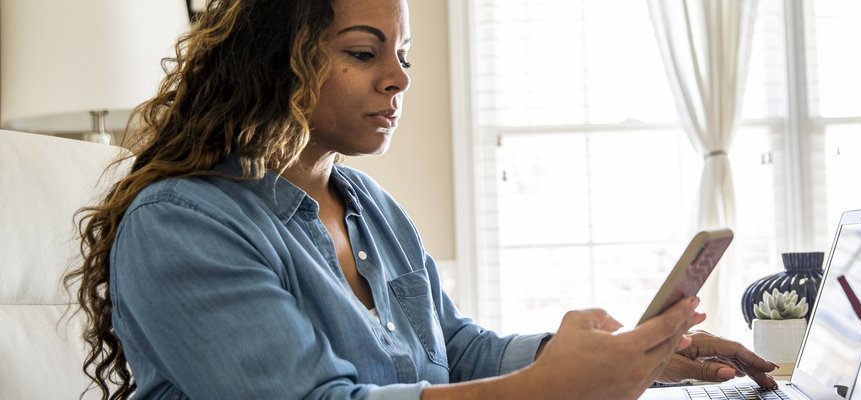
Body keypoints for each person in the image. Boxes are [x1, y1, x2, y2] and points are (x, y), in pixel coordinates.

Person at [67, 0, 777, 399]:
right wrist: (549, 388)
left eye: (403, 55)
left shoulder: (370, 207)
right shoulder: (183, 225)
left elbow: (454, 351)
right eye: (363, 51)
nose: (397, 80)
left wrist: (626, 358)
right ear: (276, 59)